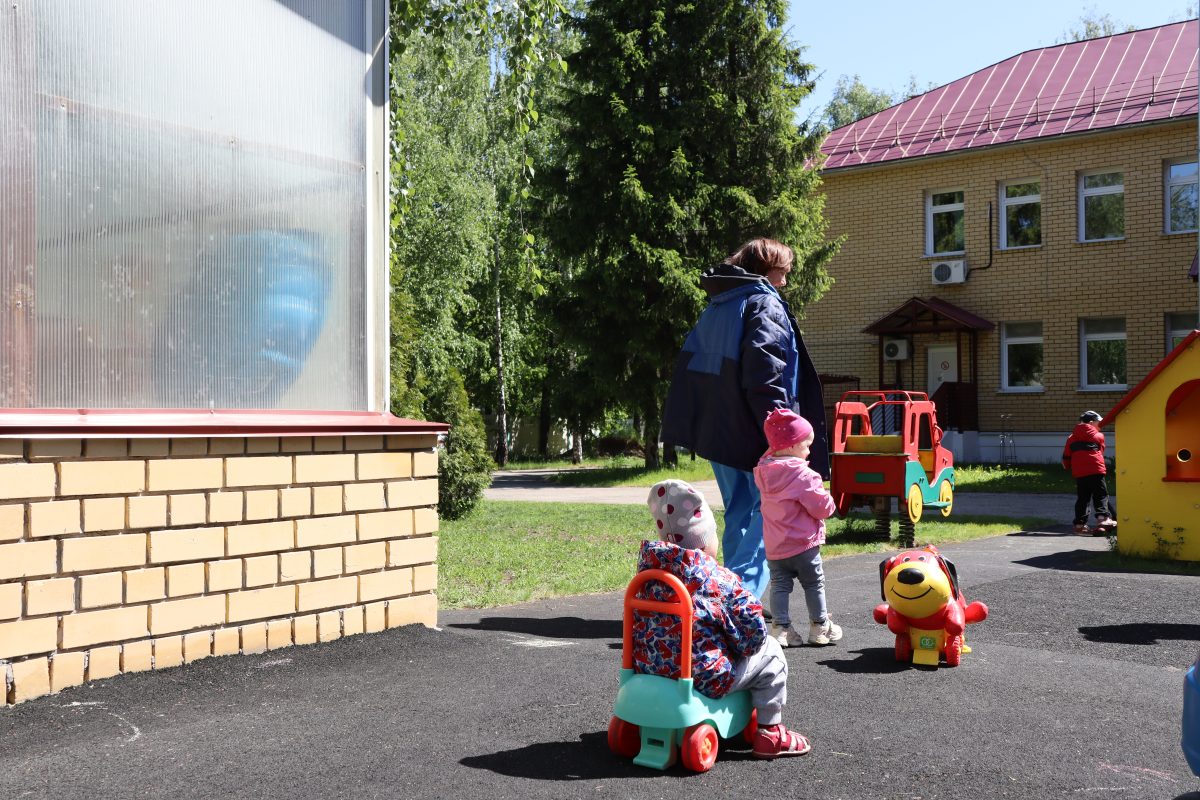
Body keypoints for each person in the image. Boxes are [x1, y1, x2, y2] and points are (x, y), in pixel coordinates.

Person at [661, 238, 829, 602]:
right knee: (763, 517)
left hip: (718, 430)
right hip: (756, 430)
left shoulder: (720, 304)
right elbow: (767, 371)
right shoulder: (762, 302)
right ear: (766, 269)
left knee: (740, 513)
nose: (784, 282)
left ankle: (732, 594)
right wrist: (780, 434)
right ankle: (738, 603)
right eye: (782, 273)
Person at [634, 479, 811, 759]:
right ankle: (770, 732)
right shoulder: (717, 580)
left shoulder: (647, 575)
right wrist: (745, 644)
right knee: (773, 655)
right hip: (703, 676)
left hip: (649, 667)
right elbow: (753, 633)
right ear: (704, 540)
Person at [753, 409, 842, 647]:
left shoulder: (763, 471)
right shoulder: (804, 475)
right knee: (813, 584)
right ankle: (820, 626)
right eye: (806, 445)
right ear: (792, 446)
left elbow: (768, 454)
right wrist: (830, 500)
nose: (809, 450)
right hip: (803, 544)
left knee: (780, 585)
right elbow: (820, 508)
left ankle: (781, 628)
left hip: (775, 545)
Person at [1062, 410, 1117, 534]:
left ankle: (1079, 525)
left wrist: (1067, 467)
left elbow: (1066, 456)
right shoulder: (1099, 436)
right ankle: (1103, 519)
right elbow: (1100, 452)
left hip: (1080, 472)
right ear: (1091, 422)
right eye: (1099, 422)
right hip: (1096, 469)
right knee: (1100, 495)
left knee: (1083, 498)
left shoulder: (1071, 438)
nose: (1100, 425)